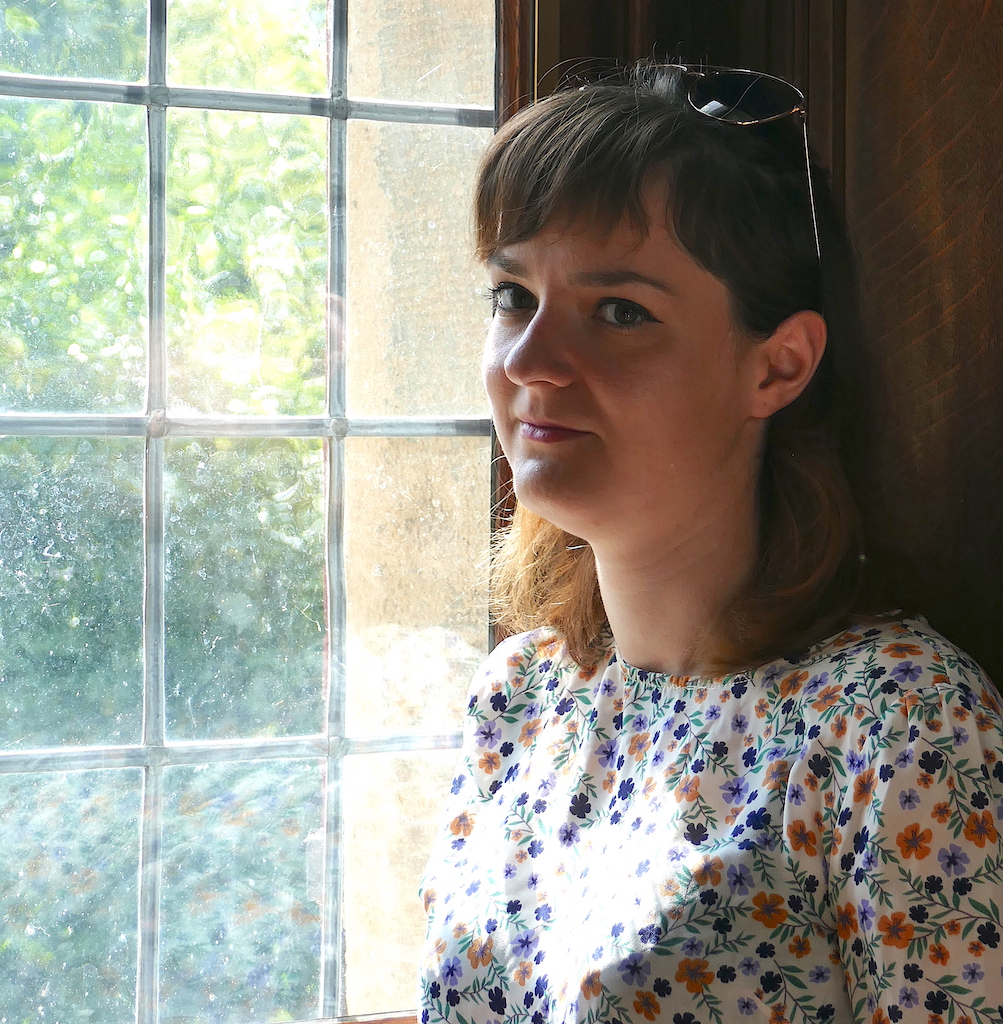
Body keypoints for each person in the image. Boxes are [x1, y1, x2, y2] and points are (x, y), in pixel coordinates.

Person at [417, 62, 1003, 1024]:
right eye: (512, 295)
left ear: (777, 367)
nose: (529, 361)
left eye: (619, 312)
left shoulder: (896, 723)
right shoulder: (519, 697)